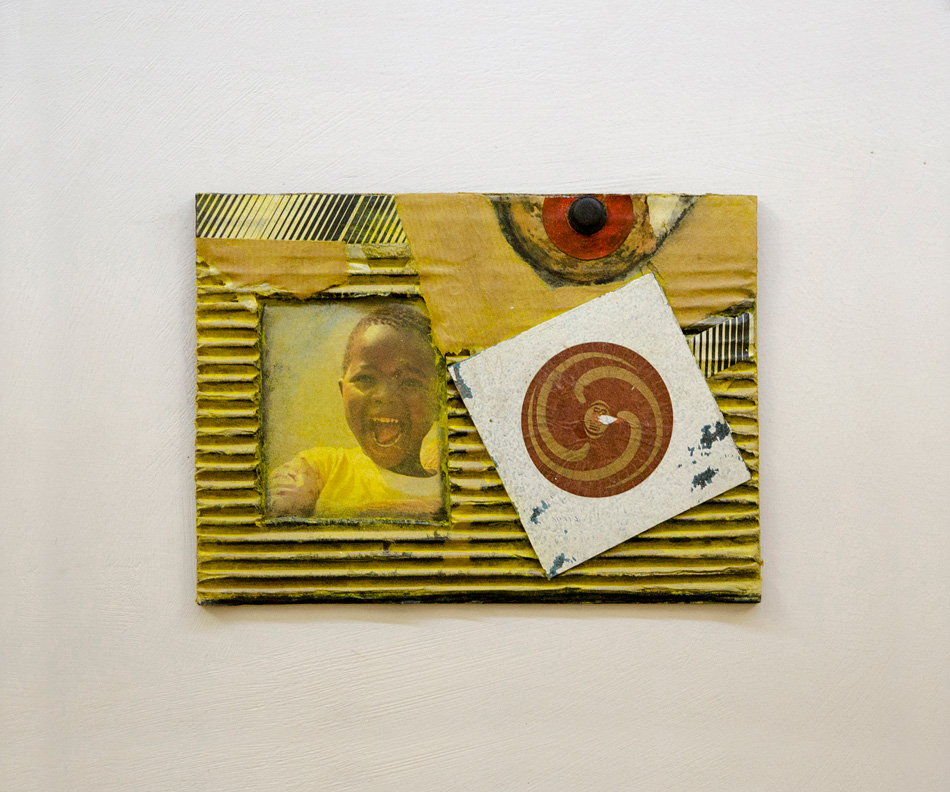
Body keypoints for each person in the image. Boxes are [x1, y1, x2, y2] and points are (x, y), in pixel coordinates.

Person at [267, 304, 443, 519]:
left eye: (409, 382)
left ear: (438, 402)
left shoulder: (454, 477)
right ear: (343, 392)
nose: (384, 396)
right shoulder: (323, 469)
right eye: (365, 378)